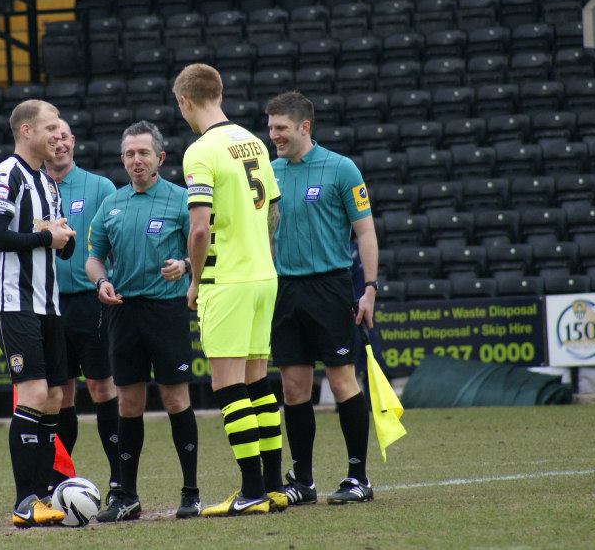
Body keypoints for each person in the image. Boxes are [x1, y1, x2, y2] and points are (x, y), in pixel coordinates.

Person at [174, 63, 287, 517]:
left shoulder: (200, 152)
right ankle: (274, 487)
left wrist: (195, 280)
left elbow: (200, 228)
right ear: (219, 94)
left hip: (228, 281)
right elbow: (274, 211)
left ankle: (251, 490)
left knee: (227, 385)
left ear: (185, 101)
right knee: (259, 381)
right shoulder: (253, 141)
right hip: (263, 276)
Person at [265, 90, 379, 505]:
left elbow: (365, 232)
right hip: (283, 290)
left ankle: (358, 477)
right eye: (270, 127)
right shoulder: (269, 173)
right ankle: (304, 481)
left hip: (330, 287)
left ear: (304, 126)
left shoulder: (341, 168)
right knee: (293, 388)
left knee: (342, 379)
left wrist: (369, 288)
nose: (274, 135)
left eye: (281, 127)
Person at [85, 121, 201, 522]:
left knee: (175, 399)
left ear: (160, 158)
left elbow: (207, 248)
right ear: (122, 159)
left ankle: (191, 492)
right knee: (129, 403)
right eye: (130, 154)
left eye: (144, 153)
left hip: (167, 311)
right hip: (123, 312)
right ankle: (127, 496)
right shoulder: (111, 204)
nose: (137, 160)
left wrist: (185, 265)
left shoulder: (181, 200)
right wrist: (101, 281)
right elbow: (93, 257)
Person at [0, 99, 77, 527]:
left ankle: (43, 493)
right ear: (26, 131)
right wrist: (45, 238)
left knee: (55, 398)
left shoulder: (48, 183)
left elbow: (59, 245)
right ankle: (25, 501)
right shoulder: (9, 174)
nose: (58, 134)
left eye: (60, 128)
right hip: (13, 301)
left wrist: (63, 237)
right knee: (35, 394)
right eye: (50, 127)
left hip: (48, 302)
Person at [44, 119, 120, 494]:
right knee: (60, 394)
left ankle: (120, 478)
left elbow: (115, 241)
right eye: (52, 137)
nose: (59, 143)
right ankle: (59, 480)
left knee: (102, 387)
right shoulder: (33, 188)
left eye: (64, 137)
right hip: (47, 304)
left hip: (91, 302)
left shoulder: (100, 187)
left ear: (73, 141)